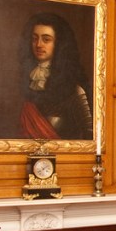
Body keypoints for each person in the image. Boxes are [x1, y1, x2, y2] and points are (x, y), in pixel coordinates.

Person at [18, 12, 93, 140]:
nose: (39, 45)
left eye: (46, 39)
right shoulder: (26, 82)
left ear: (58, 44)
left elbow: (89, 134)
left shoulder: (75, 90)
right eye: (35, 38)